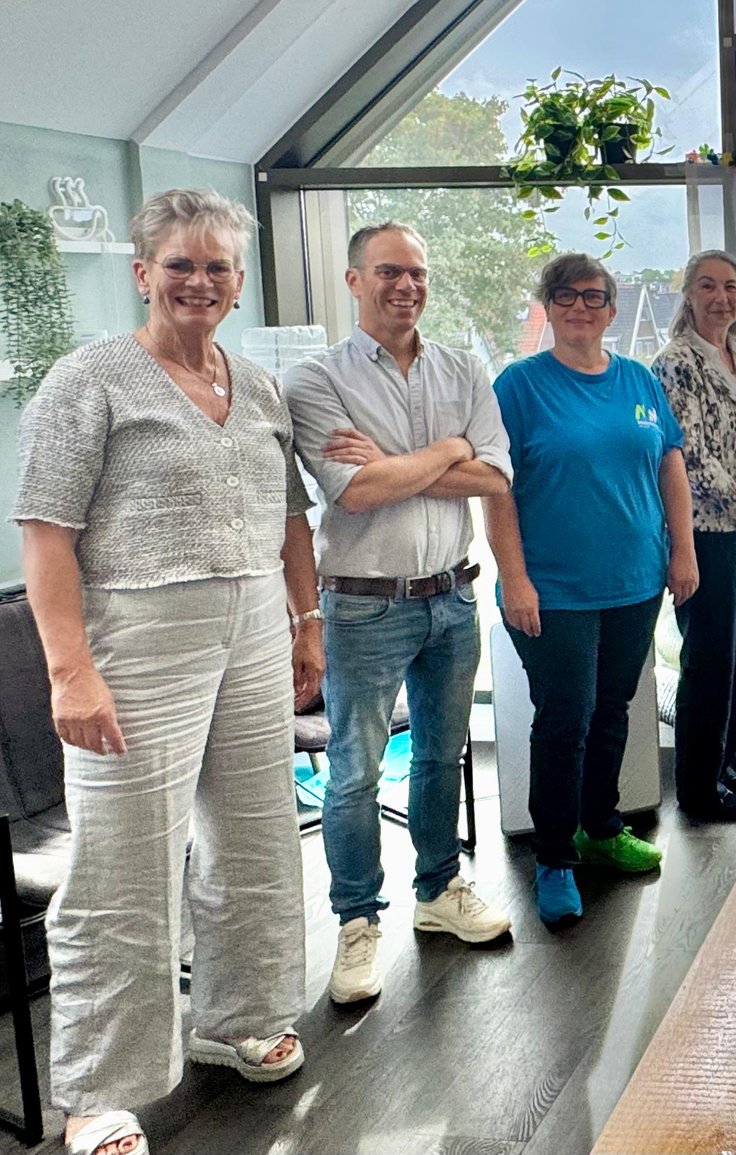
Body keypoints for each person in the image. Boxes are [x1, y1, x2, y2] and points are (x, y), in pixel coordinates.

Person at [11, 188, 317, 1155]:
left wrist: (306, 623)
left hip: (257, 626)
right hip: (139, 636)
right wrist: (70, 671)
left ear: (238, 281)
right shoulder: (89, 379)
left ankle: (237, 1018)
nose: (199, 281)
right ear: (142, 273)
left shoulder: (260, 388)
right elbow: (46, 533)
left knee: (258, 831)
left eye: (218, 266)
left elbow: (293, 519)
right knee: (125, 860)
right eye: (179, 264)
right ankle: (99, 1090)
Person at [283, 221, 514, 1006]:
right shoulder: (316, 381)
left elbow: (496, 475)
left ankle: (439, 889)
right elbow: (355, 491)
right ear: (354, 281)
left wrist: (407, 460)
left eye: (417, 272)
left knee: (442, 754)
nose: (405, 286)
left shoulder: (464, 369)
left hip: (452, 595)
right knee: (353, 771)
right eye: (388, 272)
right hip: (361, 606)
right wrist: (451, 447)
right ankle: (356, 920)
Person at [485, 253, 697, 929]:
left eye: (595, 296)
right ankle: (553, 857)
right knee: (565, 719)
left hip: (633, 580)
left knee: (614, 711)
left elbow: (669, 462)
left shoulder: (638, 378)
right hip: (553, 590)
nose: (582, 307)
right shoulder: (519, 386)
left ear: (611, 309)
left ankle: (601, 828)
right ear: (548, 307)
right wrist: (515, 578)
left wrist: (683, 549)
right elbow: (496, 487)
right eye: (567, 296)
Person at [652, 250, 736, 822]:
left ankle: (721, 765)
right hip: (706, 532)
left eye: (730, 286)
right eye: (707, 286)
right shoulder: (676, 362)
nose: (720, 297)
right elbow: (692, 459)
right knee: (708, 662)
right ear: (687, 295)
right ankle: (698, 789)